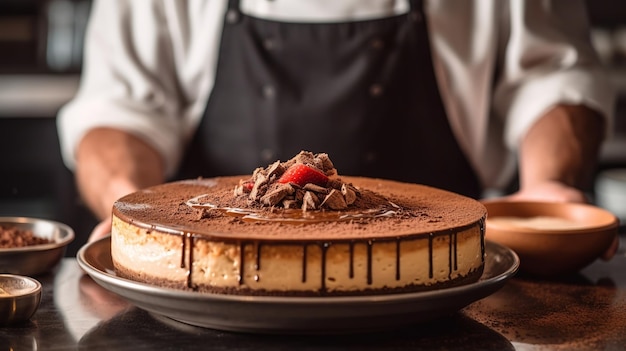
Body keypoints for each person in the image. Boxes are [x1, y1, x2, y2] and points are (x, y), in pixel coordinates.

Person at [57, 0, 618, 256]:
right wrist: (132, 215)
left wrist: (550, 185)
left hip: (441, 292)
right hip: (212, 286)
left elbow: (555, 75)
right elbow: (119, 111)